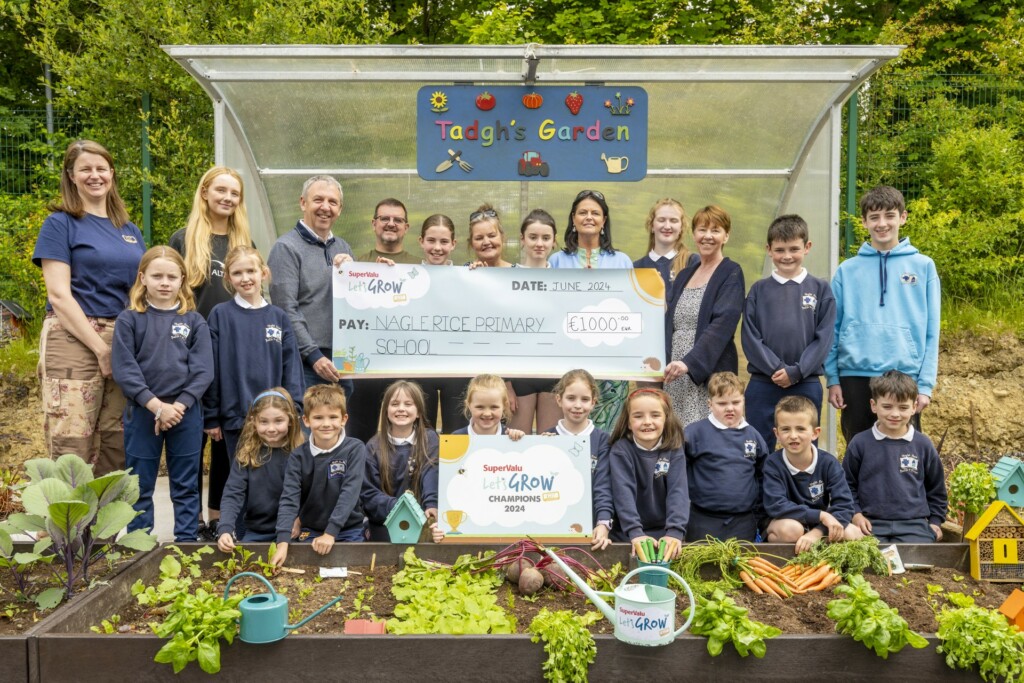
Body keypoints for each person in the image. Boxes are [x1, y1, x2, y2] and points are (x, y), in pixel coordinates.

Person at [32, 139, 145, 474]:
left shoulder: (129, 230)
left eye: (101, 168)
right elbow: (59, 296)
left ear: (111, 173)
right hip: (74, 337)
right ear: (71, 175)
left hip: (121, 337)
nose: (95, 175)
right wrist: (99, 349)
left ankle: (103, 527)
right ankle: (68, 526)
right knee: (73, 440)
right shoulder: (60, 224)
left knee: (115, 439)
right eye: (86, 169)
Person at [169, 166, 253, 540]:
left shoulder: (243, 241)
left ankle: (219, 518)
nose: (227, 198)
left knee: (224, 442)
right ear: (204, 192)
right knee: (191, 443)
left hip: (230, 355)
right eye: (221, 190)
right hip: (188, 355)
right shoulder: (182, 240)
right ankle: (190, 523)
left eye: (234, 193)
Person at [111, 246, 213, 542]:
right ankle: (139, 544)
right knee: (140, 484)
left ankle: (186, 541)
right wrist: (157, 407)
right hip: (143, 412)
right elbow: (125, 370)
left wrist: (178, 407)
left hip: (186, 414)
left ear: (183, 280)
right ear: (143, 278)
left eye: (172, 276)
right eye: (157, 276)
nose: (164, 282)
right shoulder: (130, 320)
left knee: (185, 483)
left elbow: (204, 370)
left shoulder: (194, 321)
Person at [826, 185, 941, 443]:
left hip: (904, 375)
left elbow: (932, 332)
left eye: (889, 215)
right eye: (874, 217)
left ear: (903, 217)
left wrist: (925, 385)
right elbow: (832, 327)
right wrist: (833, 378)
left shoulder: (923, 266)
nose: (882, 224)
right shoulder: (847, 270)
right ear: (864, 222)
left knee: (905, 455)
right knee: (858, 449)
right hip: (854, 375)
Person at [203, 246, 303, 537]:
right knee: (243, 481)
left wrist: (295, 408)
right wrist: (211, 416)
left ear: (264, 273)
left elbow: (291, 367)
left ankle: (280, 536)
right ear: (229, 279)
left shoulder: (278, 317)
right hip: (237, 419)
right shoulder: (220, 315)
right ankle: (241, 538)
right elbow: (212, 369)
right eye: (238, 273)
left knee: (277, 479)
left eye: (251, 271)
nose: (246, 278)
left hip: (278, 421)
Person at [741, 214, 835, 451]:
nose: (787, 256)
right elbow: (751, 338)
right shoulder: (758, 290)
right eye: (780, 249)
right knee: (758, 447)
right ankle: (762, 489)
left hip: (806, 382)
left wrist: (797, 371)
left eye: (794, 248)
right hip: (764, 383)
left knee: (802, 447)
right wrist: (775, 369)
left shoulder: (820, 289)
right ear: (769, 250)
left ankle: (802, 489)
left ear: (807, 247)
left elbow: (824, 339)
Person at [549, 190, 632, 431]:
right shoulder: (557, 261)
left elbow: (632, 306)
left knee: (608, 434)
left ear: (604, 220)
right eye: (582, 212)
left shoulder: (622, 261)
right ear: (573, 218)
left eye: (595, 213)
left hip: (612, 361)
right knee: (571, 424)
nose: (589, 217)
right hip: (568, 356)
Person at [267, 175, 354, 402]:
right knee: (306, 432)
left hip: (342, 362)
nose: (325, 207)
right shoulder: (286, 248)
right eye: (318, 200)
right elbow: (285, 308)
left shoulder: (343, 247)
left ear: (340, 209)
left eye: (332, 202)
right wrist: (313, 355)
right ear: (303, 203)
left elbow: (356, 304)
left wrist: (360, 275)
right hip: (306, 364)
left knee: (336, 432)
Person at [842, 370, 948, 543]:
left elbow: (936, 488)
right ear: (873, 405)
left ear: (914, 407)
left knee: (916, 561)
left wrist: (936, 521)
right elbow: (846, 485)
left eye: (903, 407)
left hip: (914, 525)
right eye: (887, 406)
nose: (895, 414)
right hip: (870, 524)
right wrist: (856, 515)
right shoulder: (859, 443)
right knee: (868, 560)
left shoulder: (923, 445)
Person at [663, 205, 745, 427]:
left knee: (706, 434)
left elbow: (723, 323)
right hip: (675, 373)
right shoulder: (684, 275)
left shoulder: (731, 272)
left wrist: (689, 363)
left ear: (726, 236)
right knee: (676, 434)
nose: (708, 236)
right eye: (702, 229)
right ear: (694, 234)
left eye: (716, 230)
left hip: (705, 370)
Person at [272, 384, 367, 568]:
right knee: (307, 574)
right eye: (318, 417)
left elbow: (350, 493)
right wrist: (282, 542)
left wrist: (330, 533)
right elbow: (289, 498)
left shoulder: (355, 449)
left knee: (349, 574)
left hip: (348, 530)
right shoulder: (298, 456)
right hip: (312, 531)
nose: (326, 424)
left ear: (343, 419)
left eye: (333, 417)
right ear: (306, 420)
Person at [762, 396, 861, 553]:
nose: (793, 435)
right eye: (786, 429)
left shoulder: (829, 463)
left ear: (815, 433)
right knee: (792, 530)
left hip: (818, 527)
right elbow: (775, 505)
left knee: (853, 533)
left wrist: (818, 532)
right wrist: (821, 515)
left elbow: (845, 506)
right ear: (777, 434)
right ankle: (785, 565)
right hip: (786, 522)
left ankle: (826, 565)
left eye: (800, 429)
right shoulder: (773, 463)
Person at [216, 388, 304, 550]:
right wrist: (225, 529)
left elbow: (312, 495)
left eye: (278, 421)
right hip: (257, 531)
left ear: (290, 420)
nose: (271, 428)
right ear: (253, 421)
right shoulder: (247, 455)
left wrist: (300, 520)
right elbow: (232, 493)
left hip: (296, 531)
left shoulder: (302, 453)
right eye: (264, 422)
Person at [684, 372, 767, 542]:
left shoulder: (754, 436)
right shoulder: (693, 434)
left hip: (743, 520)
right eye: (722, 403)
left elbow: (764, 475)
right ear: (710, 404)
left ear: (744, 401)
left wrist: (759, 514)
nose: (730, 408)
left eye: (736, 402)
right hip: (703, 519)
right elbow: (678, 474)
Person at [608, 387, 687, 561]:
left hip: (666, 534)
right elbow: (623, 494)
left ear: (666, 419)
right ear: (628, 422)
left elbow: (678, 492)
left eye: (655, 415)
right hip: (629, 535)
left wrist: (675, 531)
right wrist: (635, 532)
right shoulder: (621, 450)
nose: (647, 421)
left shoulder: (674, 449)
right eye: (638, 416)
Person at [541, 369, 612, 551]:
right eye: (571, 398)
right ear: (559, 399)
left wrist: (603, 523)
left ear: (594, 402)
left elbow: (603, 485)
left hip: (589, 527)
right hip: (552, 527)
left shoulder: (603, 440)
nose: (578, 405)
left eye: (585, 399)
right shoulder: (546, 439)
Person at [361, 380, 440, 541]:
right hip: (385, 523)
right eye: (395, 404)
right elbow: (368, 494)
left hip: (423, 521)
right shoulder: (372, 446)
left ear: (418, 412)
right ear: (386, 411)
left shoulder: (430, 439)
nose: (401, 409)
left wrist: (431, 505)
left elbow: (431, 473)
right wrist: (402, 508)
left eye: (408, 404)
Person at [507, 209, 559, 433]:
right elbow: (499, 332)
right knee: (515, 441)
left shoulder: (567, 281)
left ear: (554, 242)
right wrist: (505, 382)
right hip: (518, 374)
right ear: (522, 239)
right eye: (533, 237)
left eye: (546, 238)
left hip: (554, 372)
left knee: (551, 443)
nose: (539, 244)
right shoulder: (506, 278)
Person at [415, 214, 467, 432]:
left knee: (457, 434)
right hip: (418, 367)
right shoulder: (405, 277)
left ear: (453, 244)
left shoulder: (468, 277)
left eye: (444, 242)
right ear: (421, 241)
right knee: (421, 434)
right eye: (431, 241)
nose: (437, 247)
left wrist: (482, 276)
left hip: (457, 368)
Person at [632, 198, 698, 292]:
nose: (667, 226)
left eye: (673, 221)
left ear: (681, 227)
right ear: (652, 226)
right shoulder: (636, 268)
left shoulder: (693, 263)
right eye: (661, 220)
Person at [450, 374, 525, 440]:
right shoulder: (456, 438)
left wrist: (519, 439)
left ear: (504, 405)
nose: (487, 413)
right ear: (469, 405)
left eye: (494, 407)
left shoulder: (510, 438)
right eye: (480, 407)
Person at [361, 198, 420, 264]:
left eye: (398, 220)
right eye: (385, 219)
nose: (391, 224)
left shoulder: (421, 266)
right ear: (374, 225)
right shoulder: (357, 264)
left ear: (406, 228)